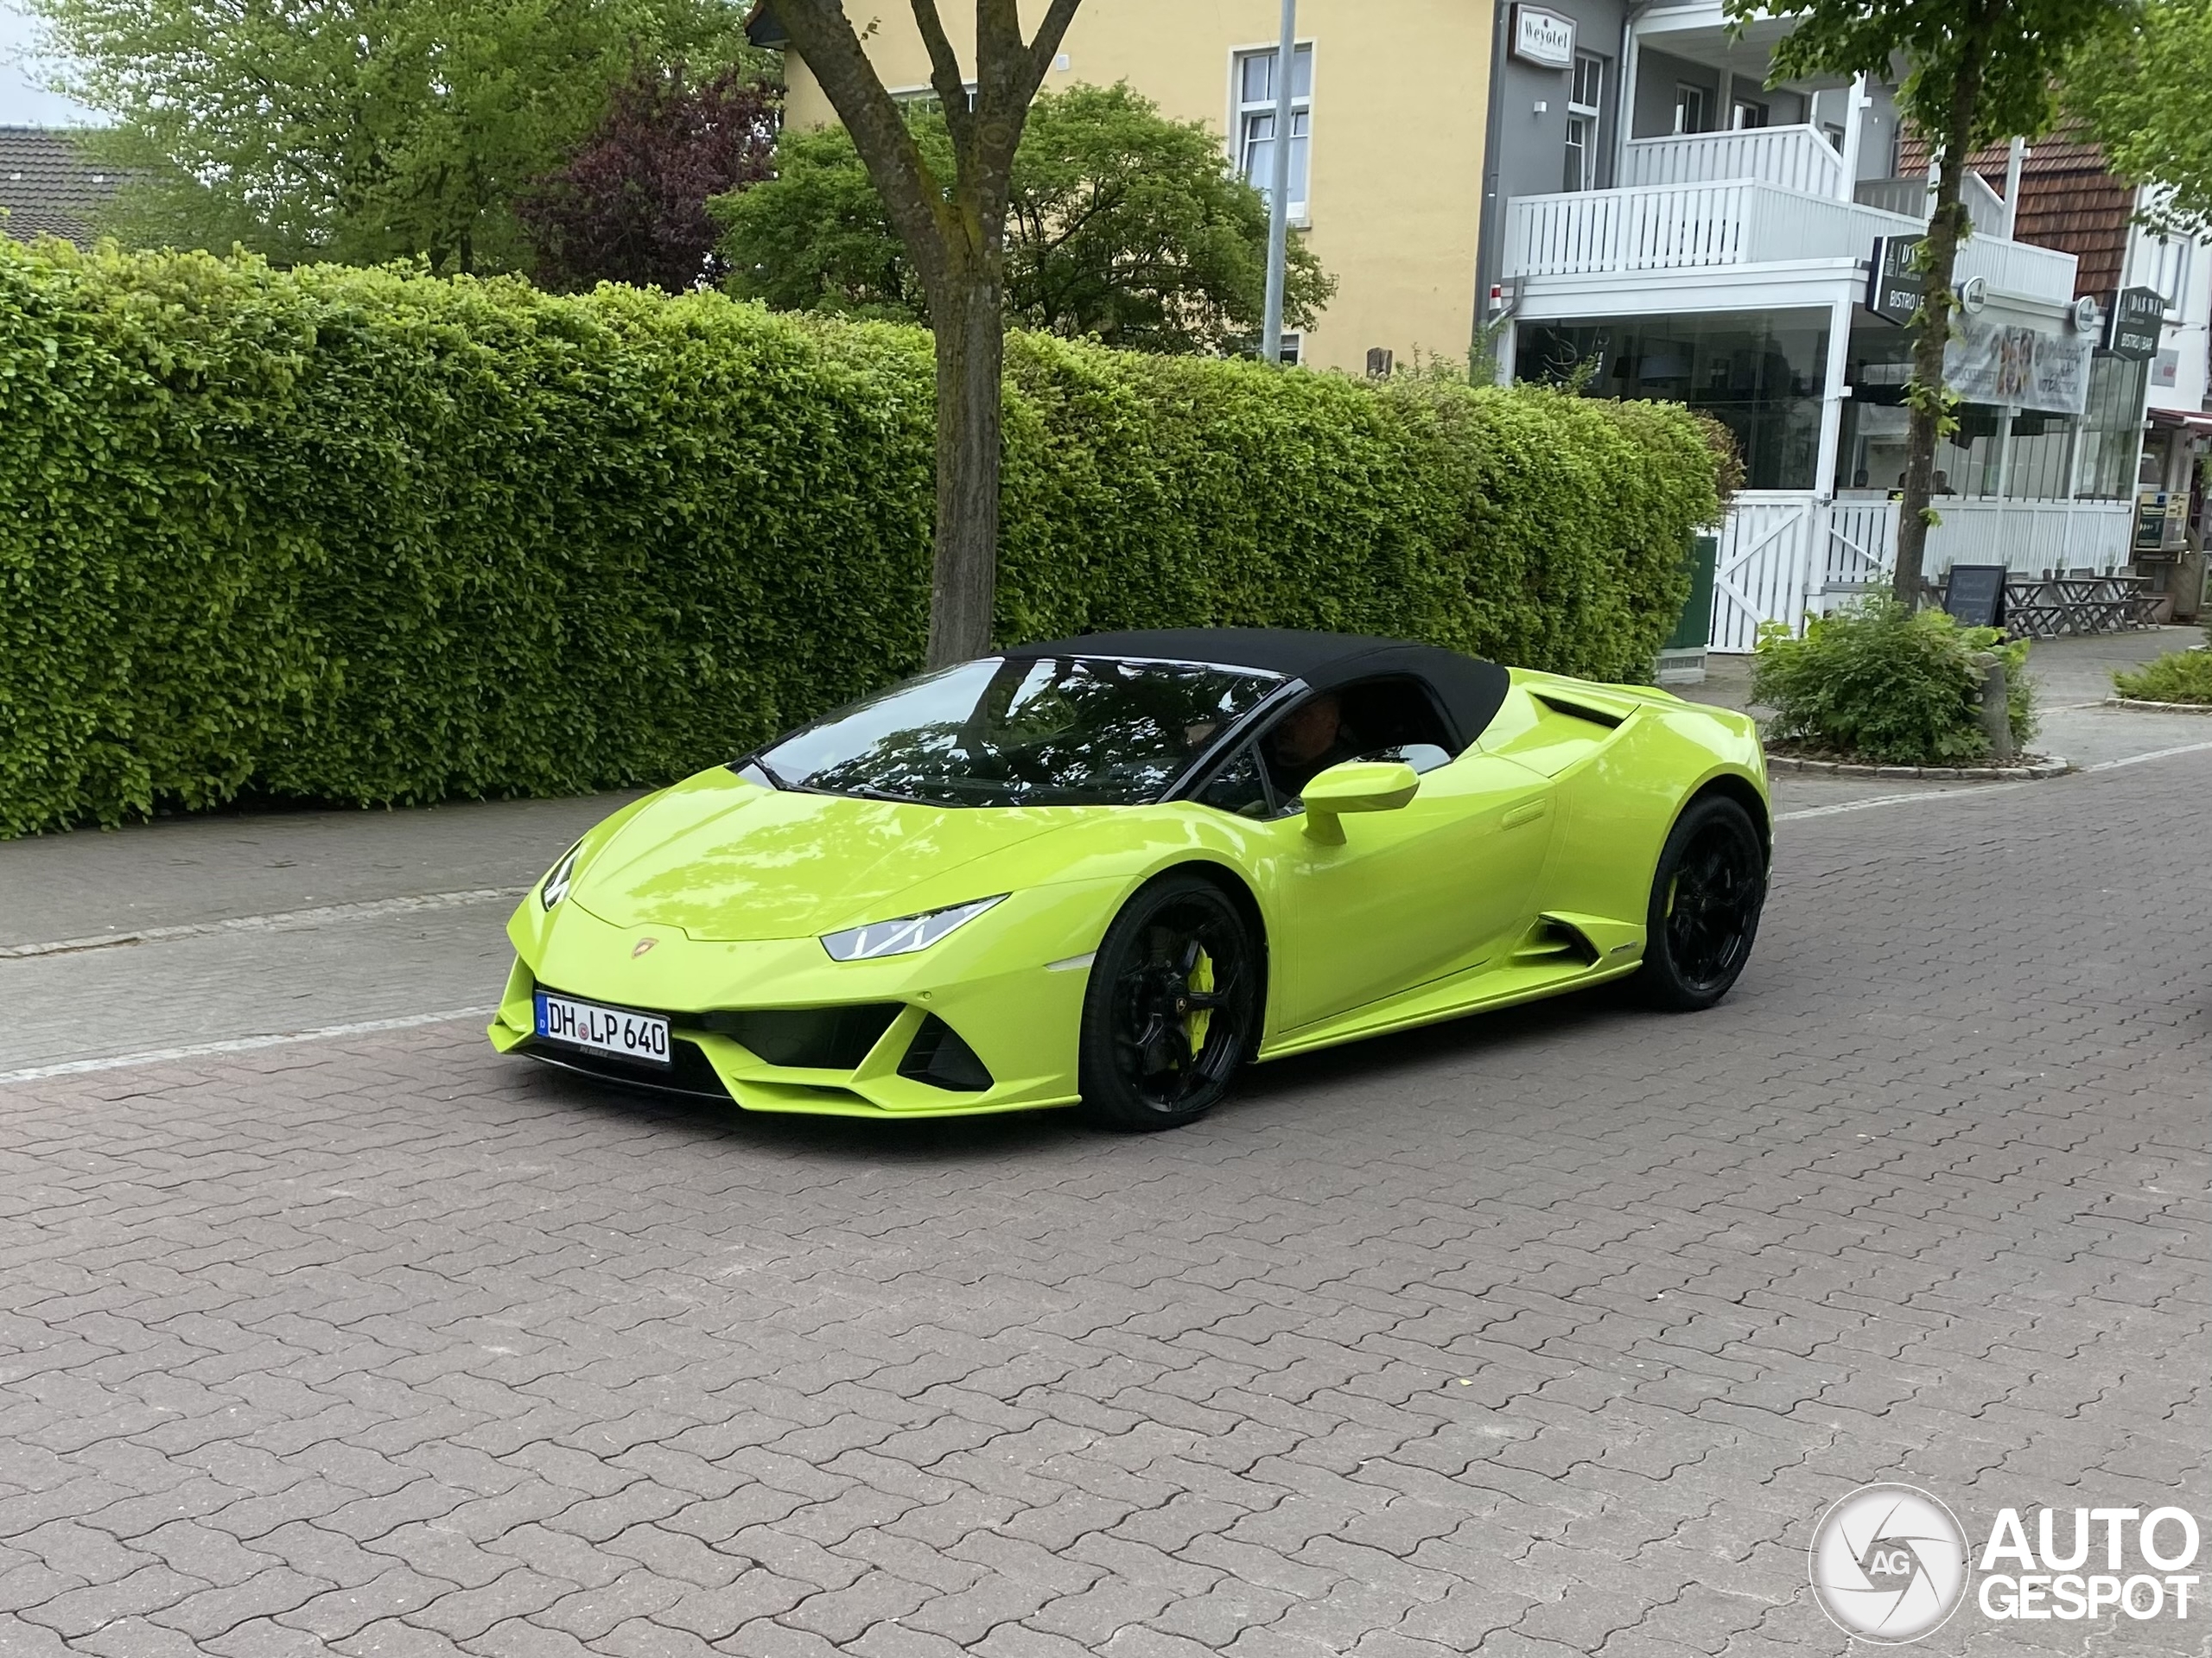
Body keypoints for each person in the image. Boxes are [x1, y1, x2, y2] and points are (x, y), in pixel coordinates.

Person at [1262, 692, 1362, 797]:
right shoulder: (1254, 752)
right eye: (1286, 714)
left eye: (1301, 716)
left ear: (1330, 725)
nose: (1286, 722)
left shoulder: (1343, 775)